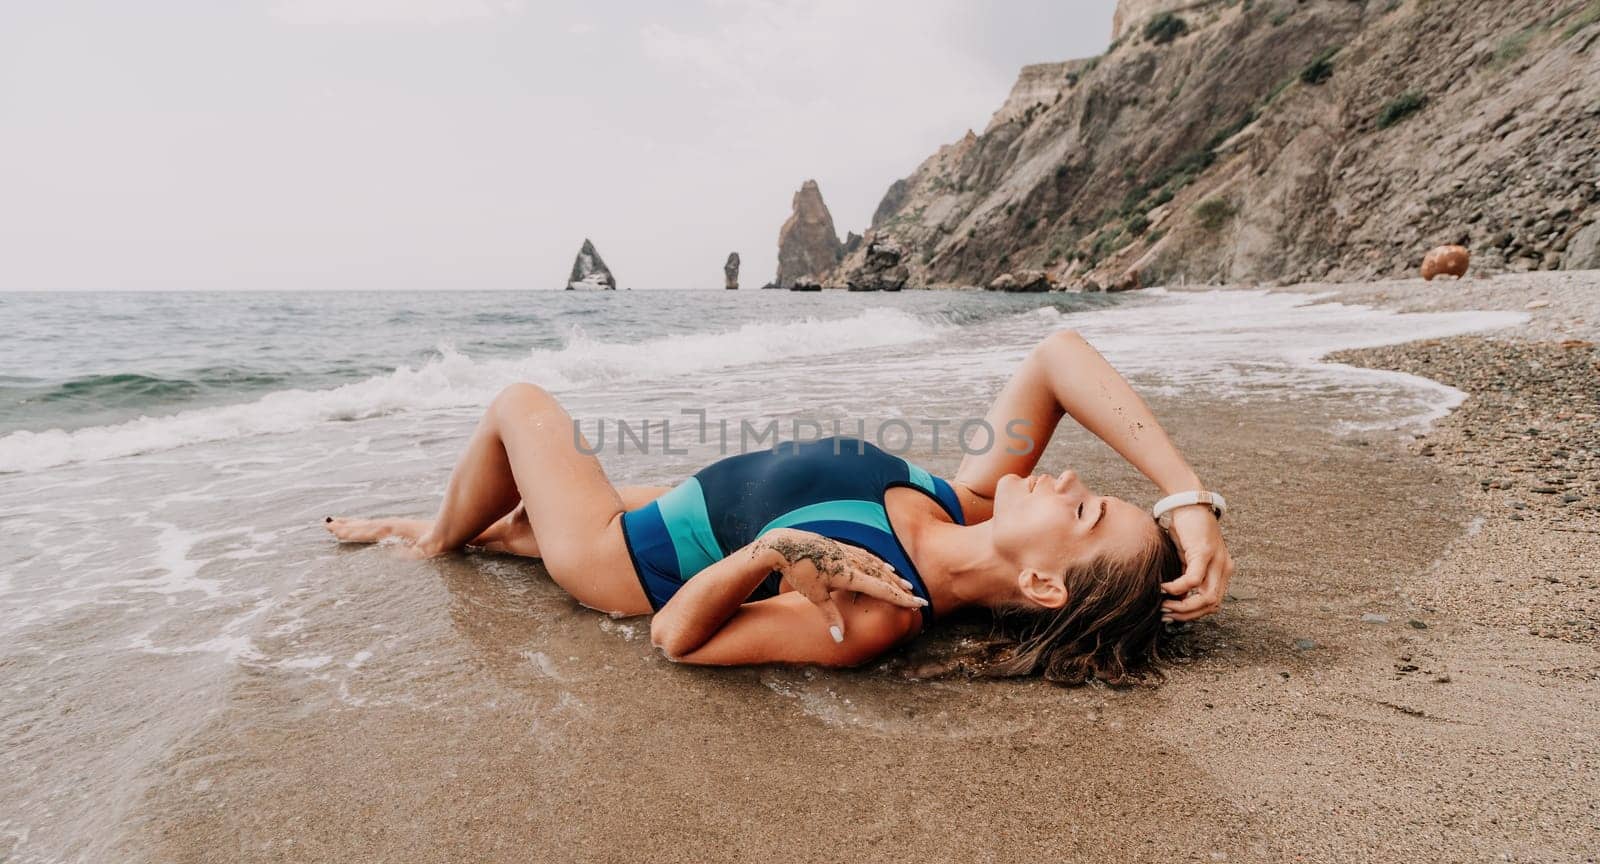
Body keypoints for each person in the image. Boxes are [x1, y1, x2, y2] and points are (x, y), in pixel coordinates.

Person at [326, 330, 1234, 685]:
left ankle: (429, 540)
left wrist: (776, 553)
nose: (1071, 482)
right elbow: (1057, 356)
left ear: (1039, 584)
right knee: (513, 523)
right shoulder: (968, 501)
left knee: (521, 407)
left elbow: (677, 639)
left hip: (620, 553)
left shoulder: (882, 609)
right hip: (691, 503)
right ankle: (461, 530)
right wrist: (1186, 498)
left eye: (1085, 514)